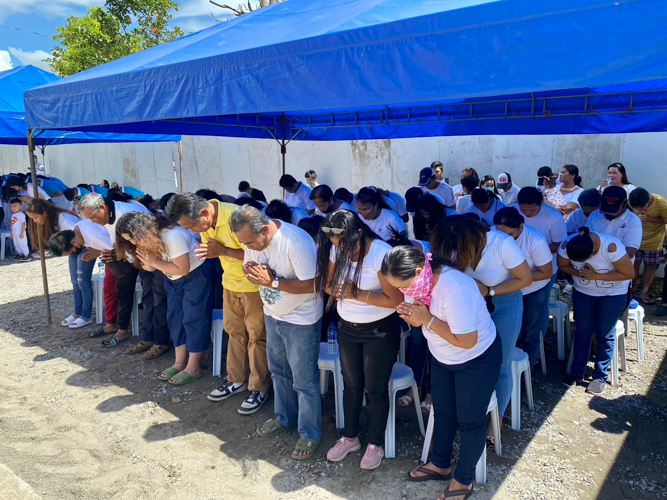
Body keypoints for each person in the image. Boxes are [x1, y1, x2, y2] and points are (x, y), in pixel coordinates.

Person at [383, 246, 501, 499]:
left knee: (470, 420)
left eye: (403, 286)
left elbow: (467, 341)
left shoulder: (454, 287)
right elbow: (425, 318)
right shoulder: (420, 282)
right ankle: (440, 463)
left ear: (418, 271)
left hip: (476, 358)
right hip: (442, 355)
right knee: (443, 412)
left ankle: (464, 479)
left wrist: (426, 320)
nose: (402, 292)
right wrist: (414, 318)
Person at [229, 206, 321, 460]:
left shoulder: (296, 242)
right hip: (272, 314)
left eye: (250, 241)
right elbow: (251, 267)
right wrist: (253, 274)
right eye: (243, 242)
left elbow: (313, 285)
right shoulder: (251, 240)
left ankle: (310, 432)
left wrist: (272, 282)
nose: (248, 247)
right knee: (279, 371)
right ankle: (285, 418)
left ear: (266, 229)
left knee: (303, 379)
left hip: (301, 320)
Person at [431, 215, 532, 438]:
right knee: (468, 358)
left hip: (504, 303)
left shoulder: (502, 243)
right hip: (469, 305)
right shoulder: (452, 242)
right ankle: (469, 414)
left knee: (502, 365)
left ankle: (496, 419)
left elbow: (525, 279)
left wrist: (489, 291)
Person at [167, 194, 269, 413]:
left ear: (204, 213)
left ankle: (258, 388)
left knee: (256, 337)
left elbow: (260, 252)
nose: (194, 232)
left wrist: (222, 251)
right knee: (234, 333)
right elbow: (211, 250)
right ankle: (236, 380)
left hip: (253, 287)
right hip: (230, 284)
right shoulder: (205, 224)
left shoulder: (237, 217)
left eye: (193, 225)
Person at [318, 211, 402, 470]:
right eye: (337, 247)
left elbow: (395, 300)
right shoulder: (337, 248)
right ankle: (350, 436)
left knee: (375, 388)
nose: (344, 253)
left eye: (348, 247)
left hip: (380, 330)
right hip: (348, 328)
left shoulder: (381, 254)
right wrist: (338, 290)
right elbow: (329, 285)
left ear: (360, 235)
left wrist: (357, 293)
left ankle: (375, 443)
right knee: (351, 385)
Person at [115, 212, 209, 385]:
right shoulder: (148, 239)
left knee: (193, 318)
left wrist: (154, 262)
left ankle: (193, 366)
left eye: (134, 238)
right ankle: (179, 362)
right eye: (129, 240)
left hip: (195, 275)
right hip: (172, 279)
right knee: (174, 318)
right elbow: (150, 268)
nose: (133, 243)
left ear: (143, 230)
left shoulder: (172, 235)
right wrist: (150, 261)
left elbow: (183, 269)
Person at [559, 228, 635, 394]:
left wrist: (595, 276)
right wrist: (579, 272)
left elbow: (629, 273)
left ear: (594, 251)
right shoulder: (567, 245)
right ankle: (576, 372)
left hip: (613, 294)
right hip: (584, 293)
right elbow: (562, 264)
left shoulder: (612, 247)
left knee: (604, 333)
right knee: (582, 331)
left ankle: (600, 376)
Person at [78, 192, 151, 345]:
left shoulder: (124, 214)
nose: (92, 222)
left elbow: (145, 243)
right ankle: (121, 329)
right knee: (121, 291)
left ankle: (152, 338)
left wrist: (119, 253)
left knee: (150, 297)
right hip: (130, 256)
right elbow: (116, 244)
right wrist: (114, 253)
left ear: (102, 207)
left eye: (93, 217)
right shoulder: (106, 218)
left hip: (148, 255)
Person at [494, 207, 553, 369]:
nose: (506, 239)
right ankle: (506, 367)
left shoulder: (535, 240)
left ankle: (527, 370)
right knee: (507, 331)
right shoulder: (492, 235)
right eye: (501, 235)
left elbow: (546, 272)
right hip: (507, 291)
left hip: (532, 291)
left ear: (521, 227)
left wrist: (520, 278)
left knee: (530, 332)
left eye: (511, 235)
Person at [49, 220, 113, 331]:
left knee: (83, 281)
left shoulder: (92, 235)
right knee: (75, 282)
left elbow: (112, 246)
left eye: (71, 251)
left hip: (107, 255)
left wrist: (98, 251)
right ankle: (77, 313)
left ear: (74, 243)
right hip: (86, 244)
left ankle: (86, 315)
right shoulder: (75, 232)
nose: (73, 253)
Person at [628, 188, 667, 304]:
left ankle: (644, 292)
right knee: (633, 263)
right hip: (635, 237)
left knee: (650, 265)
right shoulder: (631, 201)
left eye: (641, 207)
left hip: (654, 239)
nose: (638, 210)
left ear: (648, 200)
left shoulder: (661, 203)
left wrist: (648, 219)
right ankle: (629, 289)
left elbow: (665, 220)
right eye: (636, 208)